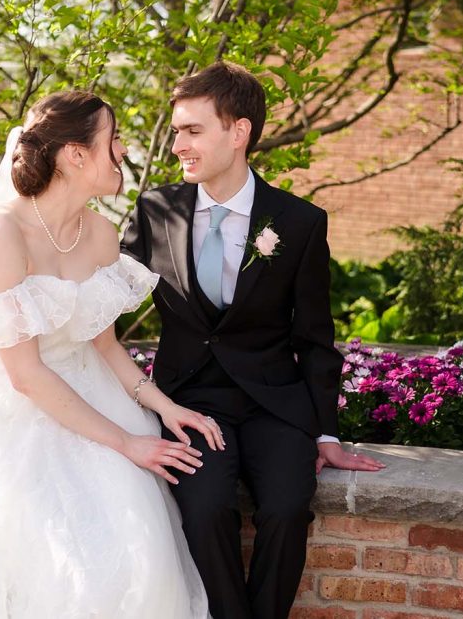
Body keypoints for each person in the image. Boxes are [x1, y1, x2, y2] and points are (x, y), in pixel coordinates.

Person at [0, 91, 218, 618]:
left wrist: (162, 406)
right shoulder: (1, 238)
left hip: (98, 398)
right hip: (13, 421)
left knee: (139, 545)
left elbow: (106, 347)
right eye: (114, 140)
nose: (124, 150)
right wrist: (126, 441)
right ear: (75, 154)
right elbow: (26, 375)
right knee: (62, 566)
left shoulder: (102, 234)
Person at [121, 62, 386, 619]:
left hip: (274, 405)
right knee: (207, 509)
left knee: (288, 509)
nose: (177, 145)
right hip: (188, 404)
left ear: (238, 132)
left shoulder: (299, 222)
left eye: (192, 131)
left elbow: (316, 338)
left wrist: (325, 431)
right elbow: (107, 310)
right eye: (175, 131)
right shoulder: (155, 211)